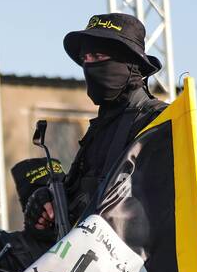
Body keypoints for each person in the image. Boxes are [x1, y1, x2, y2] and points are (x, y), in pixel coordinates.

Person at [52, 12, 168, 229]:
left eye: (98, 57)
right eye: (86, 59)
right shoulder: (99, 129)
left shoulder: (157, 121)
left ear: (130, 63)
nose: (90, 66)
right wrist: (48, 200)